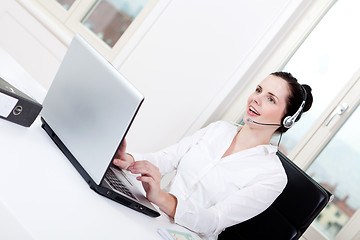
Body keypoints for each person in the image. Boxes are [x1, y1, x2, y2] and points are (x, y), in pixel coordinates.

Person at [113, 72, 313, 240]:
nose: (256, 99)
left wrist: (161, 197)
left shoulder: (273, 177)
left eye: (270, 99)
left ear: (286, 120)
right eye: (258, 90)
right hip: (151, 214)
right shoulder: (218, 129)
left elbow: (214, 220)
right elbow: (166, 158)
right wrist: (129, 160)